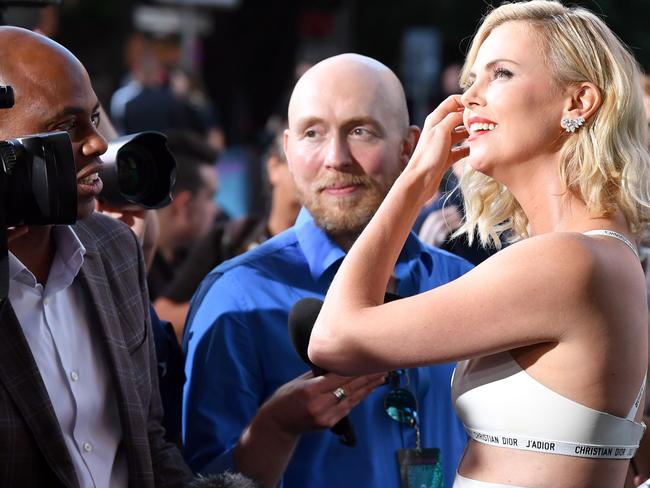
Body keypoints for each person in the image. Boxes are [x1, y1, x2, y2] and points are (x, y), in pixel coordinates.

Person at [308, 2, 650, 487]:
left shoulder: (569, 261)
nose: (468, 98)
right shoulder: (600, 253)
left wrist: (412, 183)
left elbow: (334, 338)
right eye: (470, 79)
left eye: (501, 74)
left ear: (579, 102)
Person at [183, 54, 473, 487]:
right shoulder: (238, 296)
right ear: (287, 149)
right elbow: (200, 476)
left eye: (360, 131)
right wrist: (275, 428)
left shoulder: (462, 285)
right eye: (312, 133)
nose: (336, 157)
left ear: (409, 147)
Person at [0, 26, 193, 486]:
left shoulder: (115, 247)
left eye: (94, 117)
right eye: (67, 127)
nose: (99, 144)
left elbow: (148, 441)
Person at [154, 126, 300, 342]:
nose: (325, 163)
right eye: (211, 196)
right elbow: (162, 319)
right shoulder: (229, 238)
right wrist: (237, 299)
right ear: (274, 166)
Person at [148, 130, 219, 301]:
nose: (216, 209)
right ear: (183, 206)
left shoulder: (183, 260)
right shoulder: (134, 273)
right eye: (210, 196)